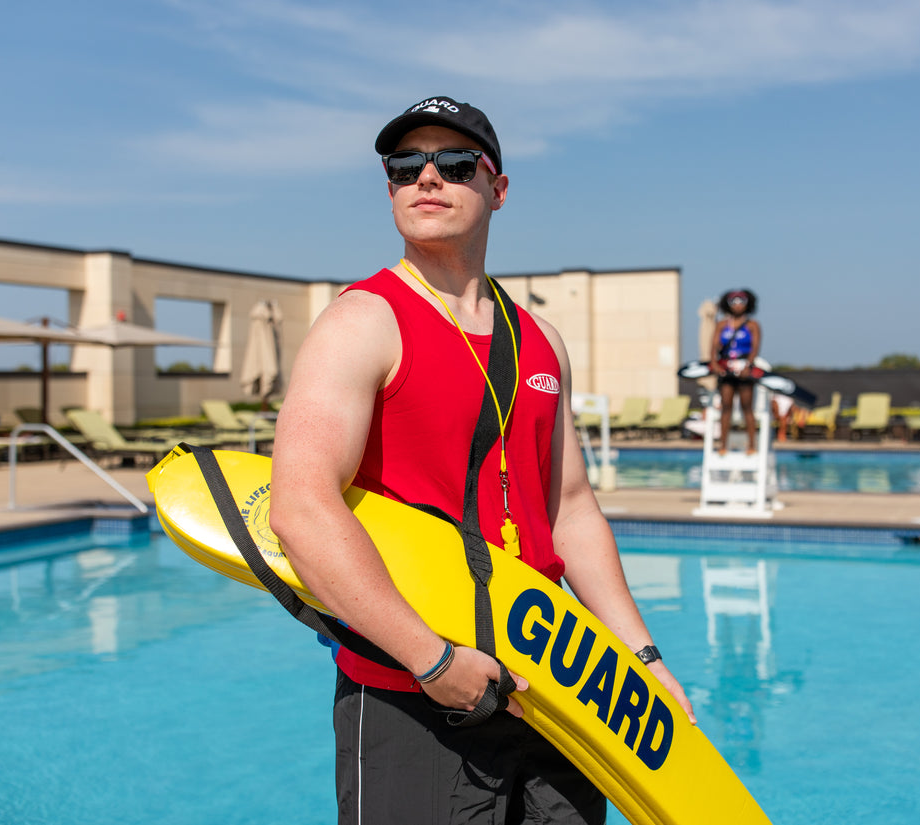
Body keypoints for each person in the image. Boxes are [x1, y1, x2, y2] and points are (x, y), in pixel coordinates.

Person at [269, 96, 695, 825]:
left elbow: (571, 508)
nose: (427, 178)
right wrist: (433, 659)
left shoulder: (542, 341)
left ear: (498, 189)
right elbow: (301, 506)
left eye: (455, 163)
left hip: (558, 689)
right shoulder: (363, 322)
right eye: (406, 167)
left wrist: (644, 659)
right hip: (413, 690)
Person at [709, 289, 761, 455]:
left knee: (747, 407)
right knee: (726, 407)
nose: (738, 306)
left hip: (744, 370)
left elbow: (755, 349)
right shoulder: (722, 325)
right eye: (734, 302)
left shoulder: (752, 325)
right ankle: (723, 445)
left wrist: (748, 365)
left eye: (741, 302)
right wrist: (715, 364)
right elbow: (714, 346)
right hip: (726, 370)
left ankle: (752, 445)